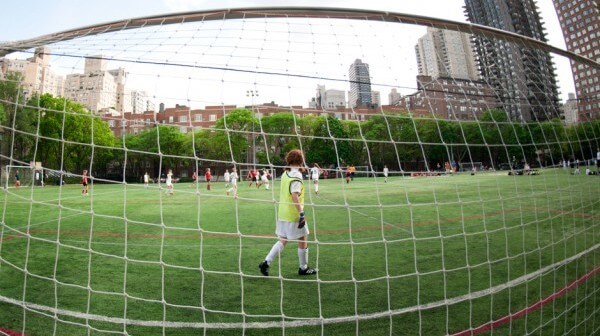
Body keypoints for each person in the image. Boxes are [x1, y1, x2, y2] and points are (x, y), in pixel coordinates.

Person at [259, 149, 316, 277]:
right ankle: (303, 268)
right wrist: (301, 213)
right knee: (303, 237)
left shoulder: (286, 173)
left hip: (283, 212)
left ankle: (266, 262)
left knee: (283, 239)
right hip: (293, 213)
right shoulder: (297, 175)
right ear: (301, 160)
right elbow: (294, 196)